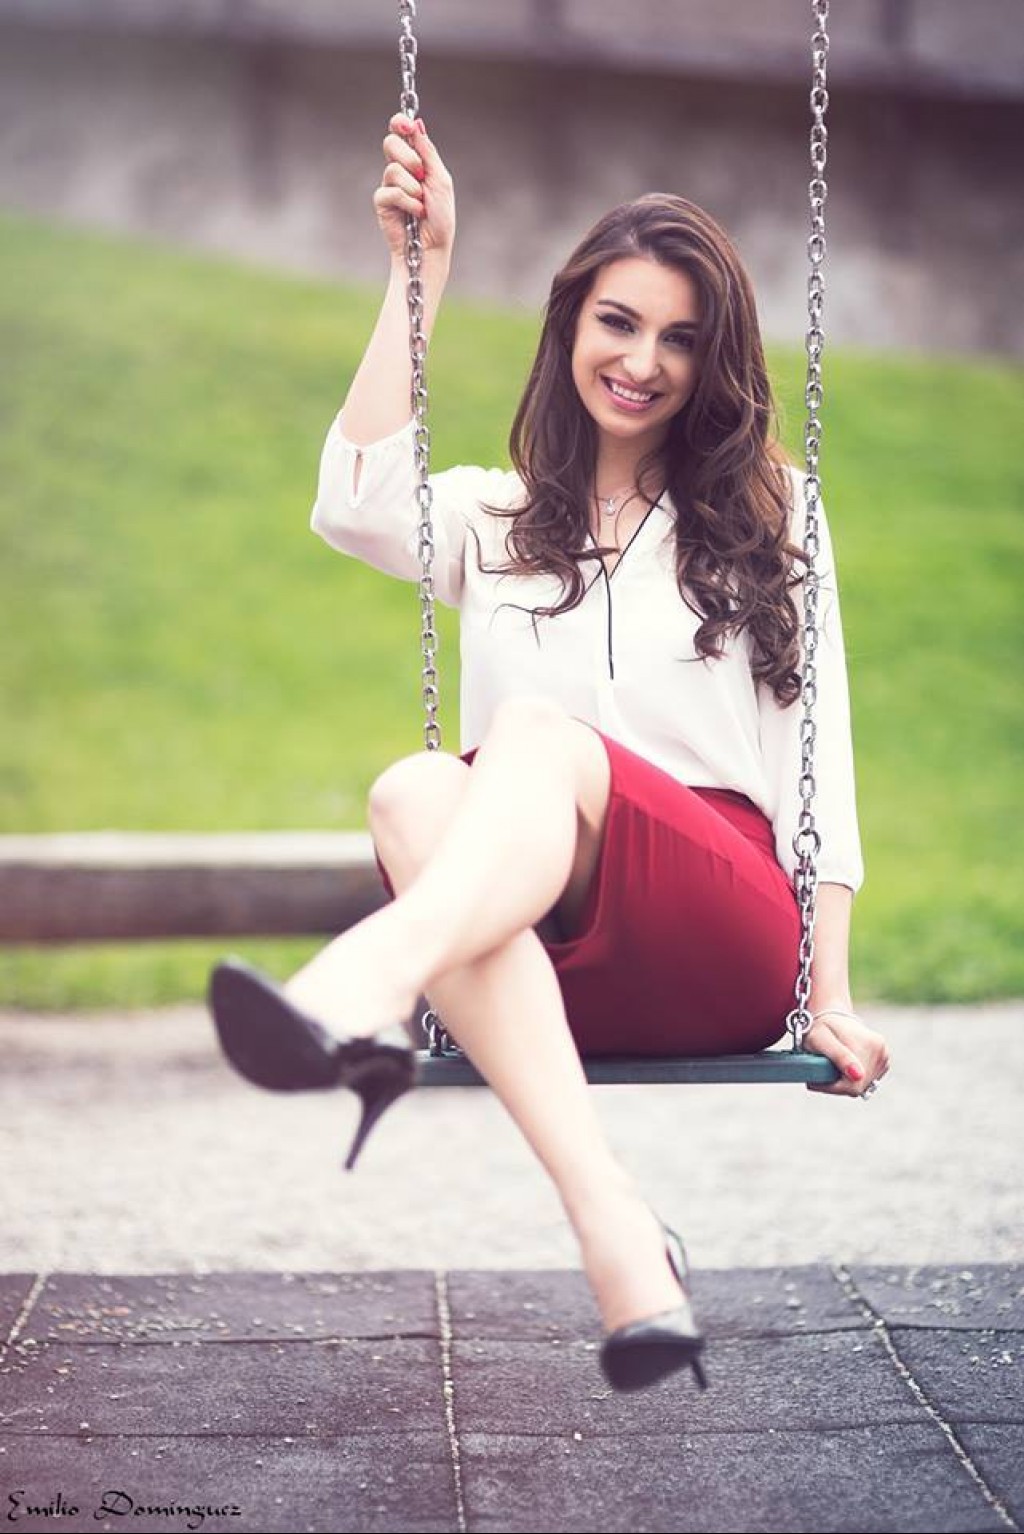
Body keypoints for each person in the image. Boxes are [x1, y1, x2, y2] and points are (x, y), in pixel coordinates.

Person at [208, 112, 890, 1394]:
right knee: (416, 786)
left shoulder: (773, 514)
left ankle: (361, 983)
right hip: (541, 961)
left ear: (715, 361)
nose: (642, 360)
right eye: (617, 322)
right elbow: (352, 501)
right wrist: (421, 269)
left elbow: (823, 753)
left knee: (521, 736)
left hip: (721, 926)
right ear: (570, 323)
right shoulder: (497, 517)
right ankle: (619, 1233)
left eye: (680, 338)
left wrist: (832, 994)